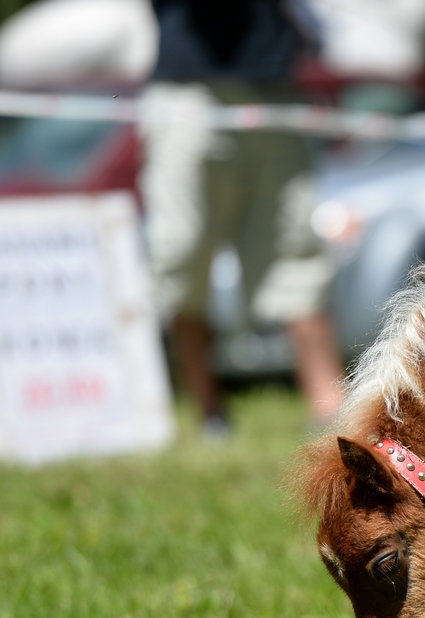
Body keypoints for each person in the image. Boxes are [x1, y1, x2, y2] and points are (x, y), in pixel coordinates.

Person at [141, 0, 345, 435]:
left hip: (275, 85)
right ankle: (209, 412)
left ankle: (331, 412)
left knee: (296, 247)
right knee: (182, 251)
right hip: (189, 90)